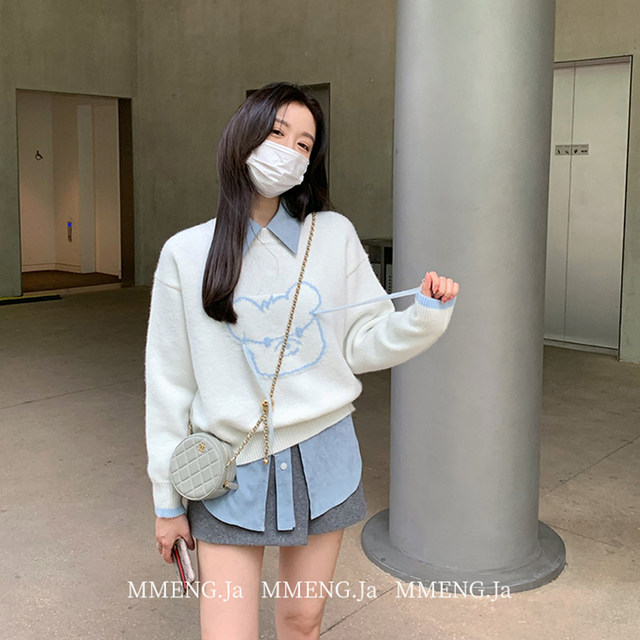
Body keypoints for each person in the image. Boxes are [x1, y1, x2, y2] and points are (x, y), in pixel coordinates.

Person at [145, 81, 460, 640]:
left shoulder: (333, 235)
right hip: (227, 467)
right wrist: (167, 504)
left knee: (302, 621)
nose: (289, 151)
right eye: (277, 132)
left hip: (323, 457)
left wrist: (425, 316)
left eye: (304, 144)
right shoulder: (186, 253)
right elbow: (169, 384)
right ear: (242, 136)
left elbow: (361, 340)